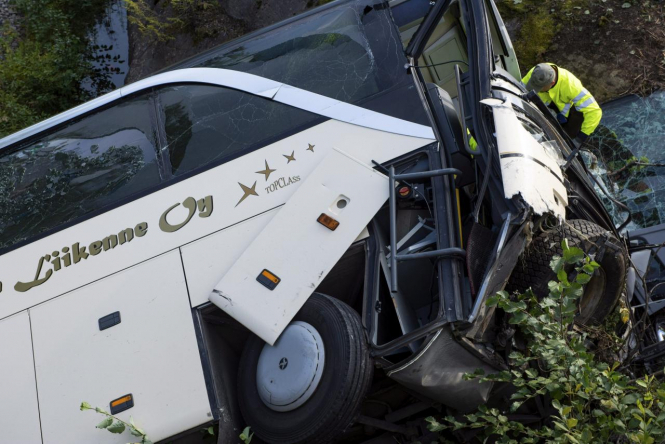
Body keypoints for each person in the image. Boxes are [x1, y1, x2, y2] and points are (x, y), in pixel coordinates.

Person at [522, 63, 602, 148]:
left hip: (566, 115)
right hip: (547, 111)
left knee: (566, 143)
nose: (535, 89)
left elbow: (594, 112)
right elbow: (521, 90)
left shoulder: (571, 85)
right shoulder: (537, 73)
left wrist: (580, 139)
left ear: (552, 83)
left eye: (539, 88)